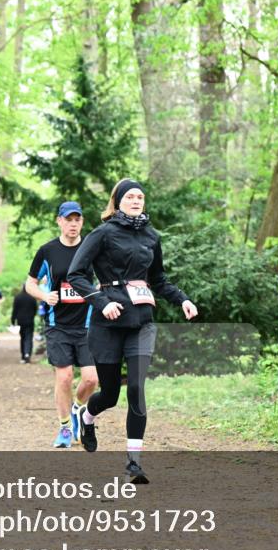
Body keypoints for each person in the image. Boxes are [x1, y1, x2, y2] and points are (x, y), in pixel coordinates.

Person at [67, 179, 198, 484]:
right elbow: (76, 274)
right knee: (111, 395)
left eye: (140, 196)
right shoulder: (103, 233)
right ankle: (87, 417)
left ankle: (133, 463)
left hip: (141, 321)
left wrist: (183, 300)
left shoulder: (151, 237)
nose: (137, 200)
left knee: (137, 388)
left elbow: (159, 279)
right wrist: (101, 302)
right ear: (117, 201)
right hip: (108, 323)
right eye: (130, 196)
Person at [26, 201, 99, 449]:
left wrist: (99, 291)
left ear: (82, 223)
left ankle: (78, 408)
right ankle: (66, 427)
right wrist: (44, 296)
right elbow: (30, 283)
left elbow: (103, 277)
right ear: (59, 221)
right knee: (65, 377)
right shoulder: (47, 251)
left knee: (91, 380)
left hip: (87, 324)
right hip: (58, 325)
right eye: (69, 219)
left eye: (77, 219)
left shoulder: (91, 248)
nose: (73, 224)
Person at [11, 285, 38, 363]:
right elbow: (35, 309)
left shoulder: (18, 297)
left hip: (20, 321)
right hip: (30, 320)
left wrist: (13, 320)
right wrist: (32, 315)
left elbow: (14, 310)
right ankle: (27, 354)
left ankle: (23, 356)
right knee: (29, 337)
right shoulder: (32, 298)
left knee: (22, 338)